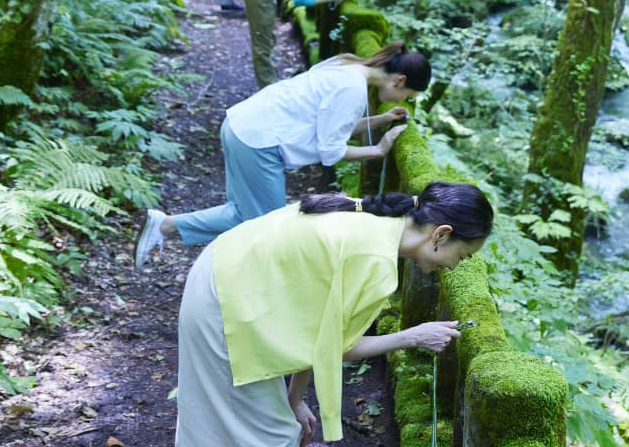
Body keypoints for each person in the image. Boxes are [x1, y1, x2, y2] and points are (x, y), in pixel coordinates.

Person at [174, 181, 494, 446]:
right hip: (223, 303)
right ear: (441, 234)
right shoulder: (375, 259)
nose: (454, 266)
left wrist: (295, 399)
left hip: (224, 272)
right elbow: (337, 347)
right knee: (268, 437)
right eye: (462, 256)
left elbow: (320, 327)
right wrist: (414, 337)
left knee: (238, 427)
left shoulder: (373, 217)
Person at [134, 42, 431, 269]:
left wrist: (380, 120)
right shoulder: (352, 90)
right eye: (409, 96)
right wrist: (379, 150)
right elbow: (331, 152)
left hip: (243, 126)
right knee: (271, 228)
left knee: (243, 214)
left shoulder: (348, 66)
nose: (404, 100)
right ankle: (229, 278)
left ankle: (168, 225)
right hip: (257, 141)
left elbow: (333, 127)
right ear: (400, 81)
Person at [243, 0, 375, 88]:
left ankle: (270, 83)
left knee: (266, 38)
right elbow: (299, 0)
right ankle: (268, 90)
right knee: (262, 40)